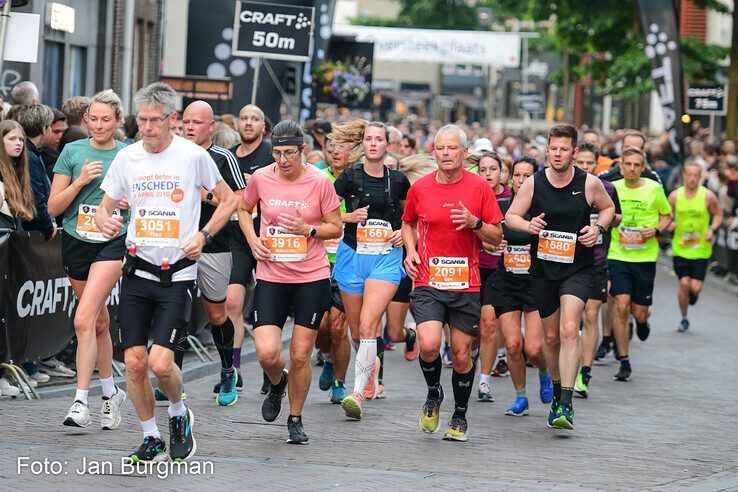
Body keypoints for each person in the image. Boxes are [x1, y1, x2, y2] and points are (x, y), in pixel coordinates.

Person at [96, 82, 235, 462]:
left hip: (177, 274)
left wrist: (204, 235)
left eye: (155, 121)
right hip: (137, 271)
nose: (147, 128)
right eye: (141, 120)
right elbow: (106, 206)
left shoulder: (192, 157)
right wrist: (108, 221)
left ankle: (178, 412)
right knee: (136, 362)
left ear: (172, 120)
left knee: (160, 362)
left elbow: (229, 199)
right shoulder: (127, 158)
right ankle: (150, 435)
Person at [506, 124, 615, 430]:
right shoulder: (535, 183)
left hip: (578, 268)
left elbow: (607, 209)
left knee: (570, 328)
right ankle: (556, 390)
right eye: (553, 148)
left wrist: (597, 229)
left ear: (574, 152)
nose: (557, 154)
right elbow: (511, 216)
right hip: (543, 270)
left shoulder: (589, 183)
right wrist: (528, 226)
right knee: (550, 337)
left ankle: (565, 402)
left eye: (563, 149)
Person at [240, 120, 341, 444]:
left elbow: (335, 227)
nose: (282, 160)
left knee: (299, 355)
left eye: (289, 154)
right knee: (267, 353)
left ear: (303, 151)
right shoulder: (261, 178)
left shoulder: (320, 182)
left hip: (311, 277)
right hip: (272, 276)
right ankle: (277, 383)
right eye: (277, 153)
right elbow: (244, 209)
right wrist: (252, 238)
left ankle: (295, 418)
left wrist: (309, 230)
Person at [403, 124, 503, 442]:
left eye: (452, 149)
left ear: (463, 153)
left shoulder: (479, 189)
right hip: (428, 280)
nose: (446, 154)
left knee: (461, 355)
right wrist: (409, 251)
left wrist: (475, 223)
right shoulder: (420, 188)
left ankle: (459, 415)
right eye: (441, 148)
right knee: (430, 344)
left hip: (466, 284)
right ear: (435, 152)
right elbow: (407, 223)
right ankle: (434, 393)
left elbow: (496, 236)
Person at [48, 89, 129, 429]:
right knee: (97, 323)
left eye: (105, 120)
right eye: (93, 119)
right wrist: (80, 180)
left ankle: (81, 401)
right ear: (86, 120)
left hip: (112, 242)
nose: (98, 125)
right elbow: (53, 208)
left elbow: (145, 201)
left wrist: (129, 205)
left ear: (118, 122)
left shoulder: (129, 155)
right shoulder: (72, 150)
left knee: (82, 319)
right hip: (77, 240)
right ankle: (111, 393)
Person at [329, 120, 411, 419]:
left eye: (379, 139)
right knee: (357, 331)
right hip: (352, 257)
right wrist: (349, 217)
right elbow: (326, 211)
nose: (374, 144)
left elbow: (413, 216)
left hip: (385, 259)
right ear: (361, 144)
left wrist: (405, 231)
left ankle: (356, 394)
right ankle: (370, 370)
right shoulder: (349, 177)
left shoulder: (399, 180)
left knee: (367, 325)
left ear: (387, 144)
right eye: (368, 139)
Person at [181, 100, 242, 405]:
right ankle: (172, 378)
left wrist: (203, 194)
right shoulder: (173, 155)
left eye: (196, 122)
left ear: (211, 127)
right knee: (174, 309)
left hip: (214, 245)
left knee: (217, 313)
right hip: (177, 242)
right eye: (186, 121)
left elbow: (241, 201)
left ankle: (228, 369)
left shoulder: (222, 157)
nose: (189, 127)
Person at [493, 156, 553, 416]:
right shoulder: (501, 206)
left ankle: (544, 371)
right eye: (517, 175)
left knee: (534, 348)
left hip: (535, 283)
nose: (521, 181)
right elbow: (486, 238)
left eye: (527, 176)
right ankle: (520, 397)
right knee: (514, 345)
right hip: (507, 282)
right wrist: (493, 245)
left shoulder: (543, 208)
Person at [606, 147, 672, 382]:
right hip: (618, 254)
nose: (632, 168)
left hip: (645, 257)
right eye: (628, 164)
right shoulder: (613, 189)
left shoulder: (654, 189)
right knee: (621, 305)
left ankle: (642, 321)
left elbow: (667, 215)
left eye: (637, 165)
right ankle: (624, 360)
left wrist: (655, 230)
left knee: (638, 311)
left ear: (643, 168)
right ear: (621, 166)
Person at [227, 104, 273, 392]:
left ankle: (271, 368)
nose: (248, 123)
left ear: (263, 127)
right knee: (232, 301)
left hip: (268, 238)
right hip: (236, 236)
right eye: (244, 118)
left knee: (268, 308)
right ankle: (233, 369)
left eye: (254, 119)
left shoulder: (271, 154)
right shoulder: (229, 157)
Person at [572, 142, 621, 398]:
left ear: (597, 164)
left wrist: (603, 221)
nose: (586, 167)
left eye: (590, 163)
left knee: (591, 315)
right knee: (570, 321)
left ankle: (585, 371)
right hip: (568, 262)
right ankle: (567, 368)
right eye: (582, 163)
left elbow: (618, 215)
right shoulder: (566, 187)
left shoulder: (607, 188)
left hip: (597, 261)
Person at [315, 139, 351, 404]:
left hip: (347, 261)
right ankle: (328, 358)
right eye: (332, 147)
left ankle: (340, 381)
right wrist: (345, 218)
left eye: (342, 147)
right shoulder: (317, 178)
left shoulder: (358, 179)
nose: (336, 151)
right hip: (317, 260)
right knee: (321, 328)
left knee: (338, 327)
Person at [474, 150, 512, 402]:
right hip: (473, 266)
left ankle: (484, 382)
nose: (488, 174)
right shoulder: (472, 195)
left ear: (502, 173)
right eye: (483, 170)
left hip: (501, 270)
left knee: (489, 324)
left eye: (493, 169)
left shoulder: (513, 199)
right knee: (472, 329)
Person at [667, 160, 722, 332]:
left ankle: (692, 294)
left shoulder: (707, 196)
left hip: (700, 249)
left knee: (695, 287)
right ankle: (684, 318)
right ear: (684, 175)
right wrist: (670, 224)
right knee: (684, 283)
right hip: (680, 248)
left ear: (700, 177)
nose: (692, 179)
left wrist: (712, 229)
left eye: (695, 176)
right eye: (689, 175)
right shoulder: (675, 196)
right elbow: (667, 215)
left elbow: (718, 214)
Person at [15, 105, 56, 241]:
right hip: (28, 235)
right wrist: (49, 227)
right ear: (44, 129)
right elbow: (35, 201)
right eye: (50, 126)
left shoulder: (31, 153)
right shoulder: (29, 157)